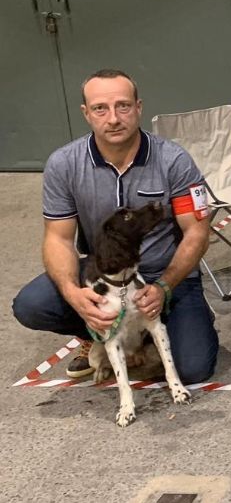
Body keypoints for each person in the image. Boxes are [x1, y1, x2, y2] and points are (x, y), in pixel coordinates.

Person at [12, 69, 217, 383]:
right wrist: (73, 294)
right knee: (31, 305)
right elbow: (58, 239)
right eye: (100, 109)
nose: (113, 118)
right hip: (104, 275)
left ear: (138, 107)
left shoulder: (174, 160)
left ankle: (186, 320)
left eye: (123, 106)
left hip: (169, 276)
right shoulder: (63, 164)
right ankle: (96, 332)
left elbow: (197, 233)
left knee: (193, 369)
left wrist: (164, 287)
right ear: (86, 113)